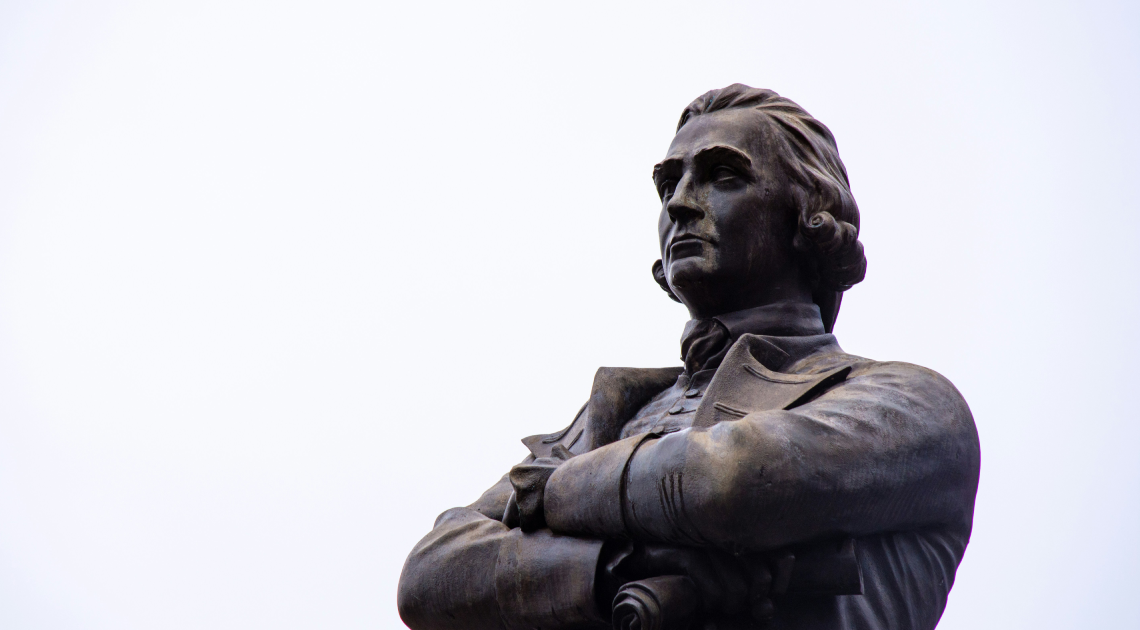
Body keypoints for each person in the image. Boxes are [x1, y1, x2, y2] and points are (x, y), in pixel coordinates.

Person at [397, 84, 980, 630]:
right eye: (668, 185)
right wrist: (614, 568)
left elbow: (733, 482)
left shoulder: (911, 403)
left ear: (810, 214)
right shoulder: (612, 413)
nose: (679, 203)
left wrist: (552, 492)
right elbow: (429, 573)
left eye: (723, 175)